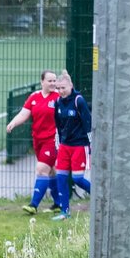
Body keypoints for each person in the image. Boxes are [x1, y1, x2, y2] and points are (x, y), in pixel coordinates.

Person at [6, 70, 60, 214]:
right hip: (38, 140)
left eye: (55, 81)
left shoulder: (58, 98)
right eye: (50, 81)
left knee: (41, 170)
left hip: (52, 140)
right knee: (52, 172)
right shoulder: (34, 97)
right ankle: (59, 203)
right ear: (42, 81)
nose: (53, 83)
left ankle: (33, 205)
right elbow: (24, 113)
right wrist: (13, 122)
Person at [52, 71, 93, 221]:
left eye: (63, 87)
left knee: (77, 178)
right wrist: (59, 142)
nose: (61, 91)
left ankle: (99, 198)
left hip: (79, 145)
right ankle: (65, 212)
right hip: (64, 146)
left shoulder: (78, 101)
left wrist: (91, 144)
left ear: (71, 85)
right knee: (61, 177)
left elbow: (88, 123)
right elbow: (58, 125)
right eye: (58, 88)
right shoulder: (57, 102)